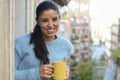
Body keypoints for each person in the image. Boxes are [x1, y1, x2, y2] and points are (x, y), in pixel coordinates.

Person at [14, 0, 73, 80]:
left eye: (54, 19)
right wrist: (36, 73)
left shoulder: (66, 45)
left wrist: (66, 71)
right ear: (37, 21)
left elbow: (64, 64)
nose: (50, 25)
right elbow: (7, 74)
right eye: (44, 20)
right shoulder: (20, 43)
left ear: (59, 19)